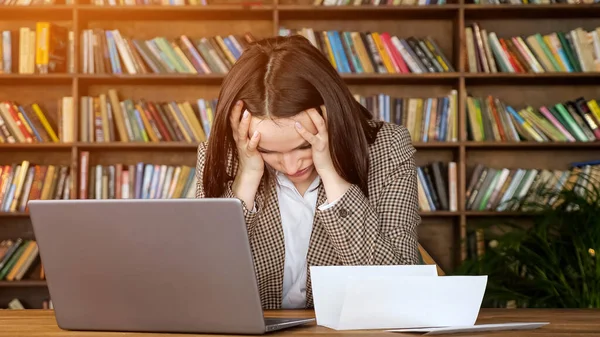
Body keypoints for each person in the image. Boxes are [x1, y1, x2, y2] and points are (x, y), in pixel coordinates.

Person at [195, 34, 420, 310]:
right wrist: (247, 178)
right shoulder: (222, 157)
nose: (291, 167)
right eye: (268, 151)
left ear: (332, 114)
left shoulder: (386, 149)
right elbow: (203, 283)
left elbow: (400, 288)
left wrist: (332, 175)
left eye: (304, 146)